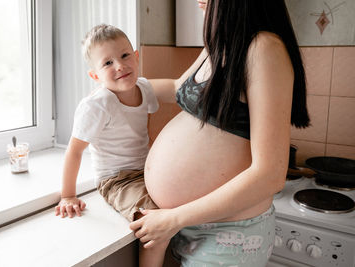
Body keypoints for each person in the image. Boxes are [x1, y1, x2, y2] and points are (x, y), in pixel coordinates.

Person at [130, 0, 310, 266]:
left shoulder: (264, 48)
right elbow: (177, 87)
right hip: (189, 223)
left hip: (228, 237)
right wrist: (116, 91)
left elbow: (271, 175)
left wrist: (174, 218)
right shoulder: (218, 45)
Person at [54, 24, 167, 267]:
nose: (119, 66)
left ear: (136, 57)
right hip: (117, 180)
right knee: (155, 224)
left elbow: (148, 130)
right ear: (95, 75)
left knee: (185, 197)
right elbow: (74, 151)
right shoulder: (97, 105)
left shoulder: (144, 88)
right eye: (107, 63)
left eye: (125, 56)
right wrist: (68, 195)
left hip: (146, 170)